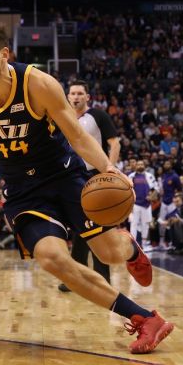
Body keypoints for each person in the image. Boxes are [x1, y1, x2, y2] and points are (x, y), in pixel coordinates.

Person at [0, 23, 173, 354]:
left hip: (63, 177)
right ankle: (144, 318)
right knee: (52, 258)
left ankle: (129, 248)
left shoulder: (38, 84)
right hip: (23, 191)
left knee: (108, 252)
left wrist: (109, 168)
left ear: (4, 54)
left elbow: (78, 136)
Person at [58, 80, 120, 292]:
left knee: (99, 226)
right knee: (79, 227)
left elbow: (114, 143)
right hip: (71, 175)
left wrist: (109, 168)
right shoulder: (60, 116)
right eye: (72, 93)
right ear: (67, 96)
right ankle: (76, 279)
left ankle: (103, 280)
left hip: (96, 175)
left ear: (87, 97)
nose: (75, 97)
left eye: (79, 93)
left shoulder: (98, 116)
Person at [129, 160, 158, 252]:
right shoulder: (131, 176)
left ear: (144, 166)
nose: (140, 165)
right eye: (138, 164)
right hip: (135, 204)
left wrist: (151, 197)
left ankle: (144, 245)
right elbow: (128, 190)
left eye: (142, 164)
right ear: (135, 166)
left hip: (146, 204)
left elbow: (156, 189)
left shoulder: (149, 176)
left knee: (145, 224)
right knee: (134, 223)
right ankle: (133, 244)